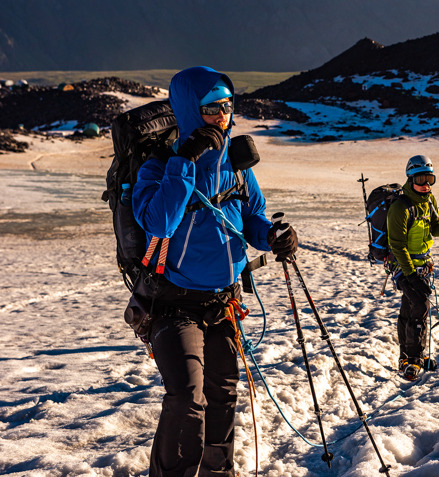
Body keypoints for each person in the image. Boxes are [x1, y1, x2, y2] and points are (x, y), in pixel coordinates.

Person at [132, 66, 298, 476]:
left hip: (223, 302)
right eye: (211, 108)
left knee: (222, 394)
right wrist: (185, 161)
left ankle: (217, 472)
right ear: (191, 111)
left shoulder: (238, 167)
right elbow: (158, 223)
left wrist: (272, 235)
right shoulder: (157, 168)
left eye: (227, 106)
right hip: (171, 303)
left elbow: (253, 217)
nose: (222, 116)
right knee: (188, 398)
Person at [387, 155, 439, 381]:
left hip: (423, 265)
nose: (426, 184)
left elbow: (434, 229)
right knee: (419, 305)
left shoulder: (428, 201)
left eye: (430, 178)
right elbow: (397, 245)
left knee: (411, 309)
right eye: (420, 178)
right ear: (410, 178)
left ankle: (408, 356)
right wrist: (409, 276)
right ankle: (414, 359)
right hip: (403, 264)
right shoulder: (400, 207)